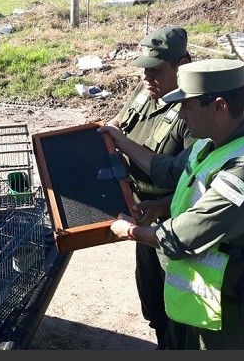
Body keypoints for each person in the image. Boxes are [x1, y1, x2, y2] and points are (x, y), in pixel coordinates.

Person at [100, 58, 244, 350]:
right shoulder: (210, 143)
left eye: (187, 105)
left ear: (220, 106)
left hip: (233, 314)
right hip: (202, 305)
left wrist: (128, 230)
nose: (181, 114)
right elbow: (175, 172)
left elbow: (183, 236)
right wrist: (160, 205)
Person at [102, 25, 195, 349]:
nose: (146, 77)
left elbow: (188, 181)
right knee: (153, 304)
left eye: (155, 70)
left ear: (181, 65)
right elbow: (119, 124)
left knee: (179, 312)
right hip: (142, 214)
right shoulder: (145, 92)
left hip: (174, 220)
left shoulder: (193, 110)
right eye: (144, 69)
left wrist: (123, 142)